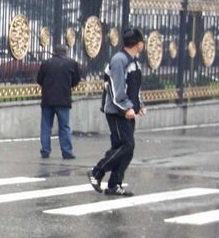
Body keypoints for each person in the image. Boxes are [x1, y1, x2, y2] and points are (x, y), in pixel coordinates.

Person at [90, 29, 145, 197]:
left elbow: (134, 87)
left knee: (122, 148)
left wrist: (139, 104)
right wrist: (126, 107)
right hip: (117, 112)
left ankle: (114, 184)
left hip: (128, 111)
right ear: (138, 43)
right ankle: (97, 172)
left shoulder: (133, 62)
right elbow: (115, 89)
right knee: (127, 145)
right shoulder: (119, 60)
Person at [35, 44, 82, 160]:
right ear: (65, 52)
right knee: (64, 127)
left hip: (47, 99)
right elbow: (76, 80)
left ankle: (45, 151)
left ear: (54, 52)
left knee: (46, 126)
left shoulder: (46, 63)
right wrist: (67, 85)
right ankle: (67, 152)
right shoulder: (71, 63)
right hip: (63, 99)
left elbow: (39, 79)